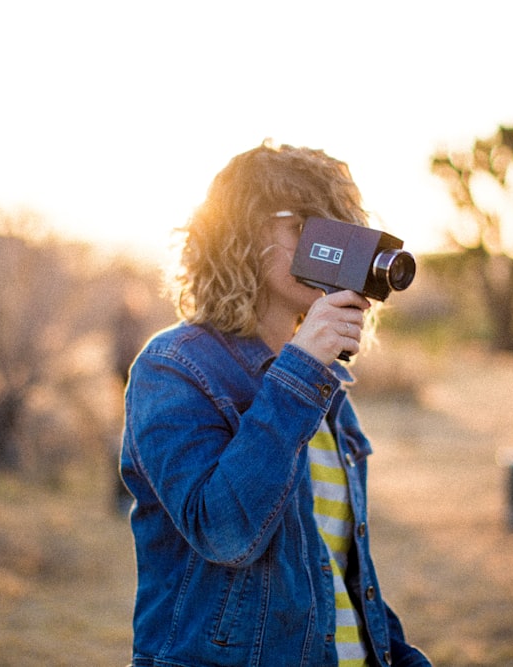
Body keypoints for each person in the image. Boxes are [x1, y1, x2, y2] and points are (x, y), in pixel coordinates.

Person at [119, 141, 431, 667]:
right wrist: (302, 368)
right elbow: (224, 534)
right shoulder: (173, 367)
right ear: (241, 235)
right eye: (306, 225)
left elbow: (336, 571)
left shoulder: (325, 389)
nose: (331, 248)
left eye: (341, 229)